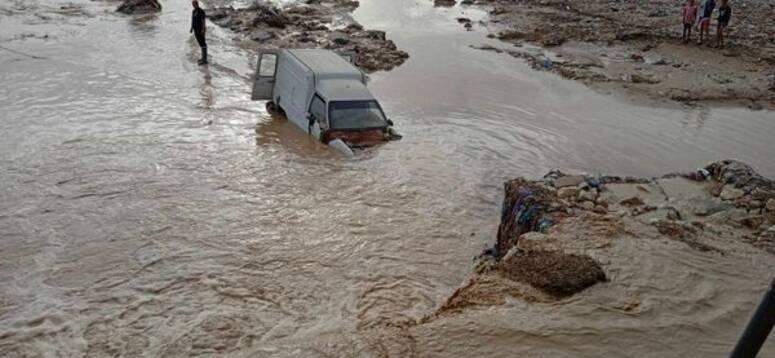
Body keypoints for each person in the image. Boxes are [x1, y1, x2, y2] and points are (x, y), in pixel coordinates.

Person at [190, 0, 207, 65]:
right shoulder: (193, 11)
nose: (193, 5)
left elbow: (203, 21)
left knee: (203, 43)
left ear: (197, 4)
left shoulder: (201, 11)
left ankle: (204, 60)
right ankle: (203, 58)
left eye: (194, 4)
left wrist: (203, 29)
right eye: (192, 4)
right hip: (195, 29)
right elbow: (193, 20)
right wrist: (191, 27)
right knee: (200, 43)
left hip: (200, 29)